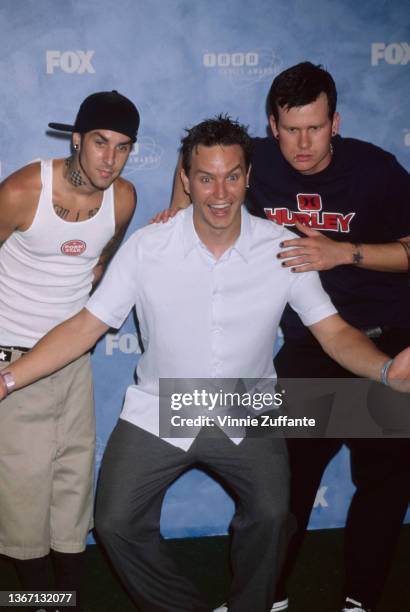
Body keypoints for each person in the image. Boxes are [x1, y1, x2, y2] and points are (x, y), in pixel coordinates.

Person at [2, 116, 410, 612]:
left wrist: (386, 372)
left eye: (232, 176)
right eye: (206, 177)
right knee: (114, 523)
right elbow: (85, 326)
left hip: (245, 408)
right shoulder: (149, 248)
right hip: (163, 405)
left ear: (248, 177)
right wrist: (8, 377)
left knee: (273, 515)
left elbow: (335, 332)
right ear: (186, 179)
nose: (220, 192)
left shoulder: (282, 247)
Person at [167, 63, 410, 612]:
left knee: (385, 482)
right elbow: (199, 162)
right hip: (311, 344)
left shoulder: (377, 170)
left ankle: (361, 598)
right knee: (280, 481)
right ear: (271, 126)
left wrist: (344, 252)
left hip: (388, 341)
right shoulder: (252, 161)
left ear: (335, 122)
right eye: (290, 129)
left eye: (316, 128)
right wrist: (178, 211)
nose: (303, 144)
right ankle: (265, 595)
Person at [0, 90, 139, 611]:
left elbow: (102, 261)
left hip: (73, 361)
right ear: (76, 140)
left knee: (72, 490)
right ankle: (45, 603)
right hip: (10, 359)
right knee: (22, 497)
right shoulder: (22, 190)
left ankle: (67, 600)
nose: (110, 158)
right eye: (100, 142)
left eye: (123, 147)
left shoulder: (122, 198)